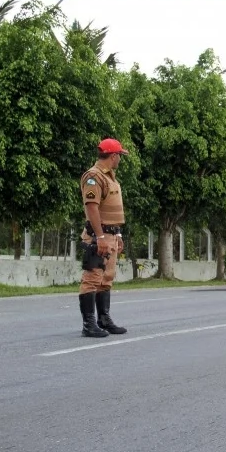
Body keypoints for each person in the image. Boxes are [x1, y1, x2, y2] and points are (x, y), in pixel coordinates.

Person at [77, 138, 132, 338]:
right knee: (92, 278)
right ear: (114, 155)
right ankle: (88, 324)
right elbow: (91, 207)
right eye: (120, 156)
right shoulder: (94, 176)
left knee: (106, 279)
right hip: (98, 236)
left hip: (110, 235)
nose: (120, 160)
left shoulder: (110, 177)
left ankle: (104, 319)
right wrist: (99, 236)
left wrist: (117, 234)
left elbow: (110, 210)